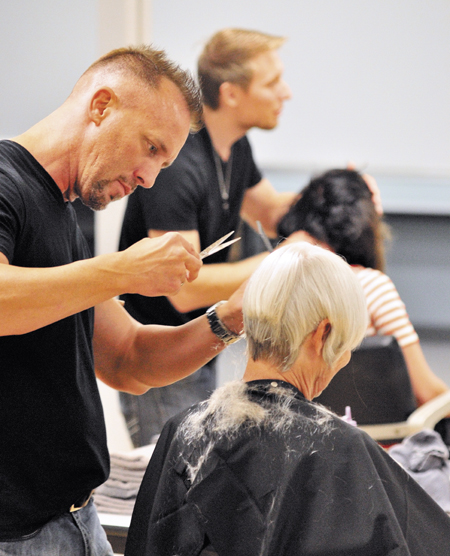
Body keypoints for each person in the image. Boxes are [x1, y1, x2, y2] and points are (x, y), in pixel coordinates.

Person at [0, 45, 245, 555]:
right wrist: (126, 270)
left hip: (76, 521)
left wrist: (229, 318)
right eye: (151, 148)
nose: (149, 179)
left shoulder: (62, 214)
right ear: (101, 106)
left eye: (165, 162)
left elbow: (128, 358)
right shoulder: (6, 185)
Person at [124, 242, 450, 556]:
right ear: (323, 333)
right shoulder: (341, 450)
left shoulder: (183, 431)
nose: (345, 359)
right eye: (347, 346)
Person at [118, 28, 297, 446]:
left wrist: (342, 190)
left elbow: (271, 211)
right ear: (232, 94)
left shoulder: (236, 146)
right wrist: (285, 261)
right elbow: (183, 287)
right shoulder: (179, 164)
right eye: (272, 83)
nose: (285, 93)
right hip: (156, 353)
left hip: (198, 347)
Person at [277, 168, 449, 407]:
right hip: (372, 439)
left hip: (301, 431)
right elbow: (427, 392)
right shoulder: (371, 286)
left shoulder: (281, 286)